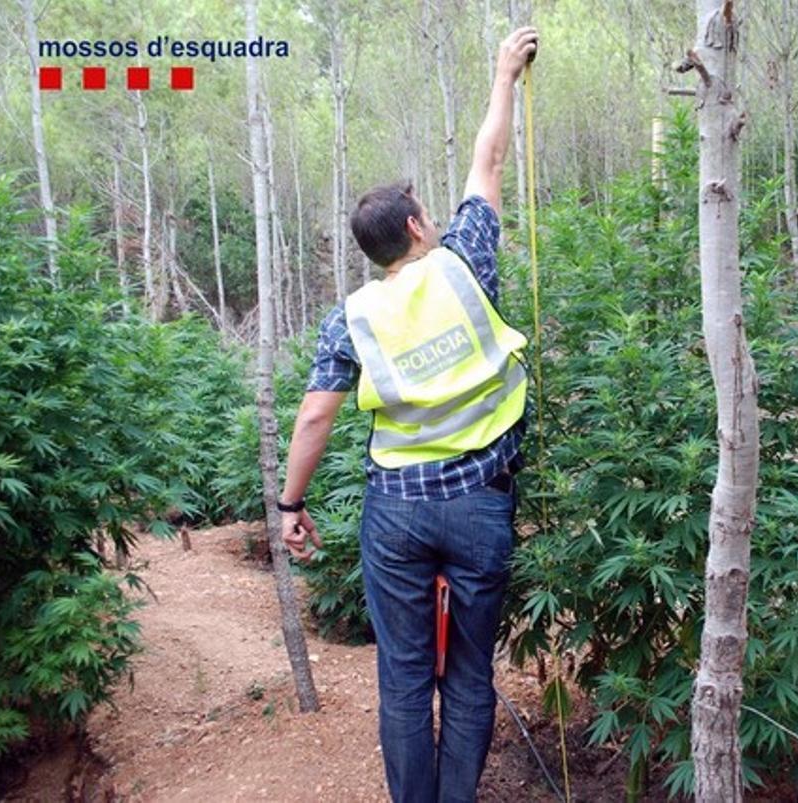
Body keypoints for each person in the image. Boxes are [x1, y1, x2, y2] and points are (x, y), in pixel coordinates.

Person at [275, 26, 540, 803]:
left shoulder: (350, 316)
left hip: (395, 512)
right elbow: (487, 162)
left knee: (401, 677)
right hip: (481, 505)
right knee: (467, 676)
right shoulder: (467, 263)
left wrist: (291, 504)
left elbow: (316, 416)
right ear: (419, 227)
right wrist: (503, 74)